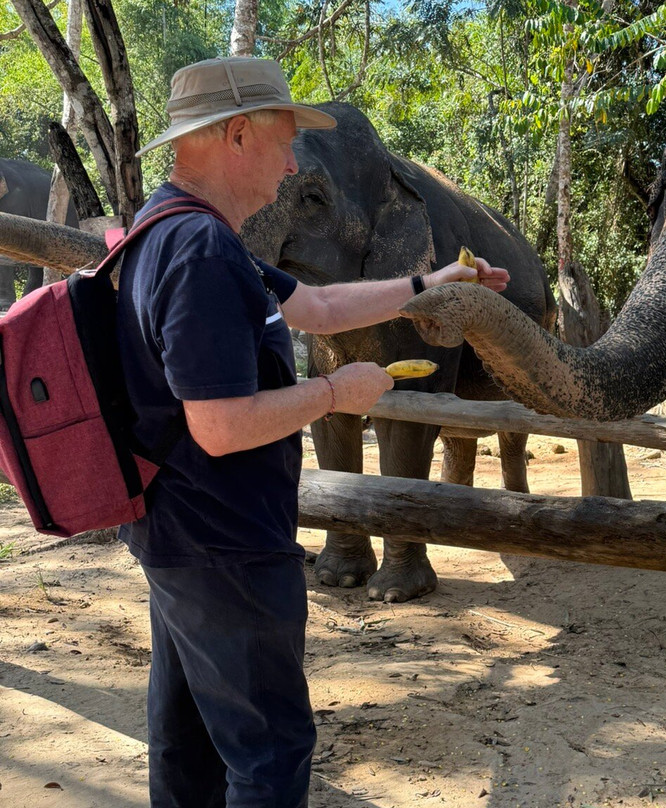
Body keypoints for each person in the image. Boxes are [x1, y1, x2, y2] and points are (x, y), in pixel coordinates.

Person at [118, 56, 509, 807]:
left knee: (190, 744)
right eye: (286, 142)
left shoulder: (175, 228)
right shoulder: (200, 253)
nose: (293, 161)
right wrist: (335, 391)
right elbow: (222, 425)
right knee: (269, 755)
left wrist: (430, 284)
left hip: (180, 539)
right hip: (226, 547)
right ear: (237, 135)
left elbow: (324, 311)